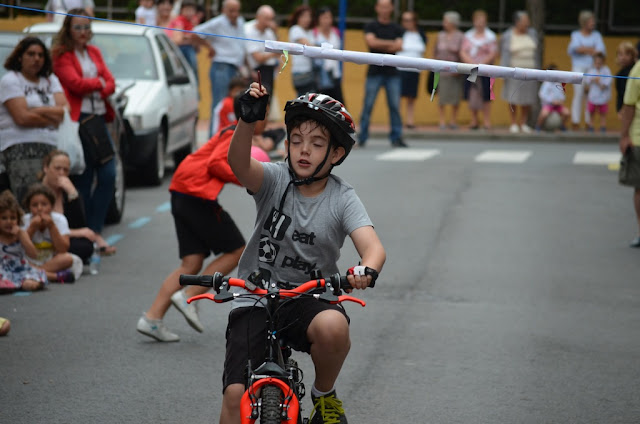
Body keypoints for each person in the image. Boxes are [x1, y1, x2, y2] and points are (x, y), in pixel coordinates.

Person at [223, 83, 386, 424]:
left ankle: (323, 395)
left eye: (316, 143)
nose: (304, 150)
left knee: (334, 328)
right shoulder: (274, 180)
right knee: (236, 396)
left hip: (307, 298)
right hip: (255, 296)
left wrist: (365, 270)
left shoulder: (342, 197)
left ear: (336, 154)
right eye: (296, 140)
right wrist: (246, 123)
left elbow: (373, 248)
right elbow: (239, 164)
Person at [136, 114, 262, 341]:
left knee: (191, 262)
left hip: (182, 192)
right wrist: (245, 179)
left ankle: (152, 318)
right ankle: (189, 295)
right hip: (195, 194)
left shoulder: (234, 131)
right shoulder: (237, 132)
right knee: (237, 250)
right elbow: (215, 163)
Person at [51, 9, 117, 249]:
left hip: (99, 119)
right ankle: (87, 232)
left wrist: (100, 86)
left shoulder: (94, 52)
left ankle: (95, 228)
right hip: (79, 120)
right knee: (85, 176)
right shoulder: (62, 55)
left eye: (87, 27)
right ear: (68, 28)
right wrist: (98, 84)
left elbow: (111, 82)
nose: (83, 32)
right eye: (78, 27)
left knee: (109, 174)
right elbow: (75, 85)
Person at [0, 37, 68, 203]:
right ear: (19, 57)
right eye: (31, 54)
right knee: (28, 199)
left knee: (51, 198)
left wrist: (36, 110)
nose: (36, 59)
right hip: (21, 149)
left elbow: (63, 111)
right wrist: (51, 118)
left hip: (50, 147)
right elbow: (22, 118)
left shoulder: (51, 81)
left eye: (40, 55)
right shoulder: (11, 80)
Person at [40, 150, 116, 263]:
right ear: (46, 168)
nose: (61, 173)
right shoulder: (37, 192)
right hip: (42, 238)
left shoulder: (66, 192)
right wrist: (77, 232)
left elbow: (79, 224)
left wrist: (73, 194)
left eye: (65, 170)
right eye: (57, 168)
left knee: (86, 245)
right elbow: (42, 228)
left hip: (63, 238)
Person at [194, 0, 246, 136]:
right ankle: (214, 138)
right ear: (224, 10)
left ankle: (229, 138)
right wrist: (209, 47)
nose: (234, 14)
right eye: (231, 11)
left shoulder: (240, 22)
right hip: (221, 67)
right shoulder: (218, 22)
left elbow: (241, 45)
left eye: (236, 10)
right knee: (219, 105)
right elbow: (195, 33)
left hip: (235, 68)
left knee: (233, 105)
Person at [359, 0, 405, 148]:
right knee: (368, 105)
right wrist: (390, 44)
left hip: (392, 72)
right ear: (377, 8)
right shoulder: (371, 25)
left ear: (391, 8)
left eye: (387, 6)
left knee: (394, 106)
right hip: (374, 71)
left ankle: (396, 137)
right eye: (382, 6)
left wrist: (380, 43)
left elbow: (399, 46)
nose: (384, 9)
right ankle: (362, 137)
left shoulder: (397, 27)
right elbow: (371, 43)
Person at [22, 183, 79, 283]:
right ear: (29, 207)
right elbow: (20, 247)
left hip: (51, 260)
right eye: (35, 205)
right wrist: (32, 228)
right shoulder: (25, 220)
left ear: (51, 206)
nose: (39, 208)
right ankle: (53, 276)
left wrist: (52, 226)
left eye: (44, 204)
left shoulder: (59, 220)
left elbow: (63, 249)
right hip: (31, 259)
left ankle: (35, 273)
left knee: (67, 259)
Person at [500, 11, 540, 134]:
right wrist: (503, 71)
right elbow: (504, 53)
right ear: (517, 22)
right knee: (513, 97)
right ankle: (513, 123)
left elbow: (536, 53)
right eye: (524, 21)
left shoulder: (533, 33)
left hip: (530, 71)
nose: (527, 23)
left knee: (527, 98)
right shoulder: (508, 35)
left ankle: (523, 123)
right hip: (513, 71)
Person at [0, 190, 47, 292]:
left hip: (19, 268)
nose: (9, 222)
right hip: (2, 269)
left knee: (28, 283)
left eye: (12, 218)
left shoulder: (21, 233)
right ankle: (8, 285)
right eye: (4, 218)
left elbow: (33, 254)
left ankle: (24, 283)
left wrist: (22, 236)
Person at [567, 10, 605, 131]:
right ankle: (576, 122)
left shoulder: (597, 35)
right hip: (578, 68)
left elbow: (601, 51)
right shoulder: (575, 35)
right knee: (578, 94)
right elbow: (573, 49)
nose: (593, 23)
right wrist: (591, 50)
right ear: (584, 22)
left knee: (590, 95)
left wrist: (584, 49)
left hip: (592, 69)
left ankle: (589, 123)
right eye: (590, 21)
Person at [460, 9, 497, 131]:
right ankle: (474, 120)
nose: (480, 23)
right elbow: (463, 51)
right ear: (474, 21)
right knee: (472, 93)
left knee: (486, 94)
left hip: (486, 70)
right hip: (472, 69)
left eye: (482, 21)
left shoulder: (490, 36)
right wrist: (472, 64)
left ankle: (486, 121)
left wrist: (481, 64)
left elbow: (493, 53)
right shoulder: (468, 36)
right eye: (478, 21)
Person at [619, 58, 640, 247]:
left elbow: (628, 105)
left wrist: (624, 135)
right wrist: (625, 135)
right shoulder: (637, 69)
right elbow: (629, 105)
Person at [434, 11, 464, 130]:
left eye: (446, 21)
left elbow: (463, 52)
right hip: (441, 70)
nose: (444, 23)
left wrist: (460, 68)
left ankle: (453, 120)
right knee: (442, 96)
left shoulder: (461, 36)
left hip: (455, 70)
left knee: (455, 96)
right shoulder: (440, 35)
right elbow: (435, 51)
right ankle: (442, 121)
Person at [397, 10, 426, 129]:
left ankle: (409, 120)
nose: (407, 23)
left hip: (414, 69)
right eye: (404, 20)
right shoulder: (399, 32)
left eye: (409, 20)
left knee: (411, 97)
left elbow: (422, 48)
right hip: (400, 68)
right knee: (398, 96)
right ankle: (398, 121)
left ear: (415, 21)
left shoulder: (420, 34)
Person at [244, 5, 280, 94]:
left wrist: (276, 33)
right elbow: (258, 58)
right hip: (255, 72)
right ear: (258, 17)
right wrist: (274, 53)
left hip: (269, 70)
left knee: (267, 100)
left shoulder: (269, 31)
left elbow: (279, 50)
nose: (269, 23)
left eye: (271, 19)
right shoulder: (248, 30)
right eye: (267, 19)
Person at [313, 7, 345, 104]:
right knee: (319, 104)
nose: (327, 20)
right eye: (324, 17)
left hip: (334, 74)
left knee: (338, 105)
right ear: (318, 18)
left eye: (329, 17)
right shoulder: (314, 33)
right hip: (320, 76)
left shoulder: (336, 32)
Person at [288, 5, 317, 96]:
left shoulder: (309, 31)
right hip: (300, 72)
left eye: (309, 16)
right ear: (297, 17)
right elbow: (310, 47)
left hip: (310, 71)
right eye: (304, 16)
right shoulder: (295, 29)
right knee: (305, 100)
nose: (307, 19)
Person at [535, 65, 570, 132]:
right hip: (548, 105)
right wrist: (551, 101)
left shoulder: (559, 84)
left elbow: (562, 95)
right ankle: (538, 126)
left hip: (558, 105)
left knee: (567, 113)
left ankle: (561, 125)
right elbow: (542, 94)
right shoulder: (546, 83)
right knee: (544, 114)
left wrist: (560, 101)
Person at [584, 52, 612, 132]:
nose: (598, 64)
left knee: (603, 112)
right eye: (596, 63)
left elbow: (607, 82)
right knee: (591, 111)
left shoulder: (606, 70)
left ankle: (603, 126)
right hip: (593, 95)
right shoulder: (591, 70)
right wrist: (593, 80)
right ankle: (591, 125)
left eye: (600, 63)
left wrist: (599, 82)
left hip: (603, 96)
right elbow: (587, 81)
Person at [615, 42, 638, 114]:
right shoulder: (619, 74)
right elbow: (620, 94)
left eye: (627, 54)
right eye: (620, 54)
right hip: (625, 109)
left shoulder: (635, 71)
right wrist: (619, 109)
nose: (623, 57)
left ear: (633, 56)